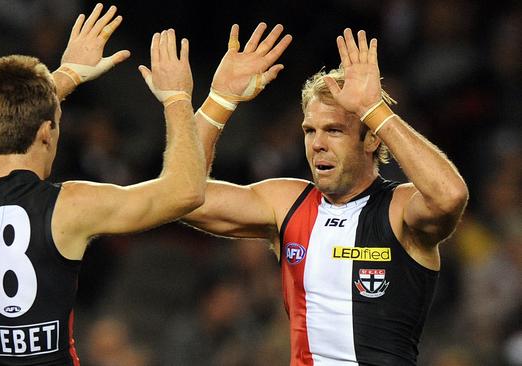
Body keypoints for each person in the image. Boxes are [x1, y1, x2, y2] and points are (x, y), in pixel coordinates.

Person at [0, 4, 212, 365]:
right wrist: (176, 97)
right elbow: (186, 190)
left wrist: (64, 75)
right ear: (48, 132)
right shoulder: (68, 205)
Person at [183, 27, 469, 365]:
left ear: (372, 139)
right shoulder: (287, 203)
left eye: (334, 130)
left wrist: (375, 111)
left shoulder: (399, 209)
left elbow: (450, 196)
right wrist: (220, 99)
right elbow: (185, 196)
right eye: (309, 130)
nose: (317, 143)